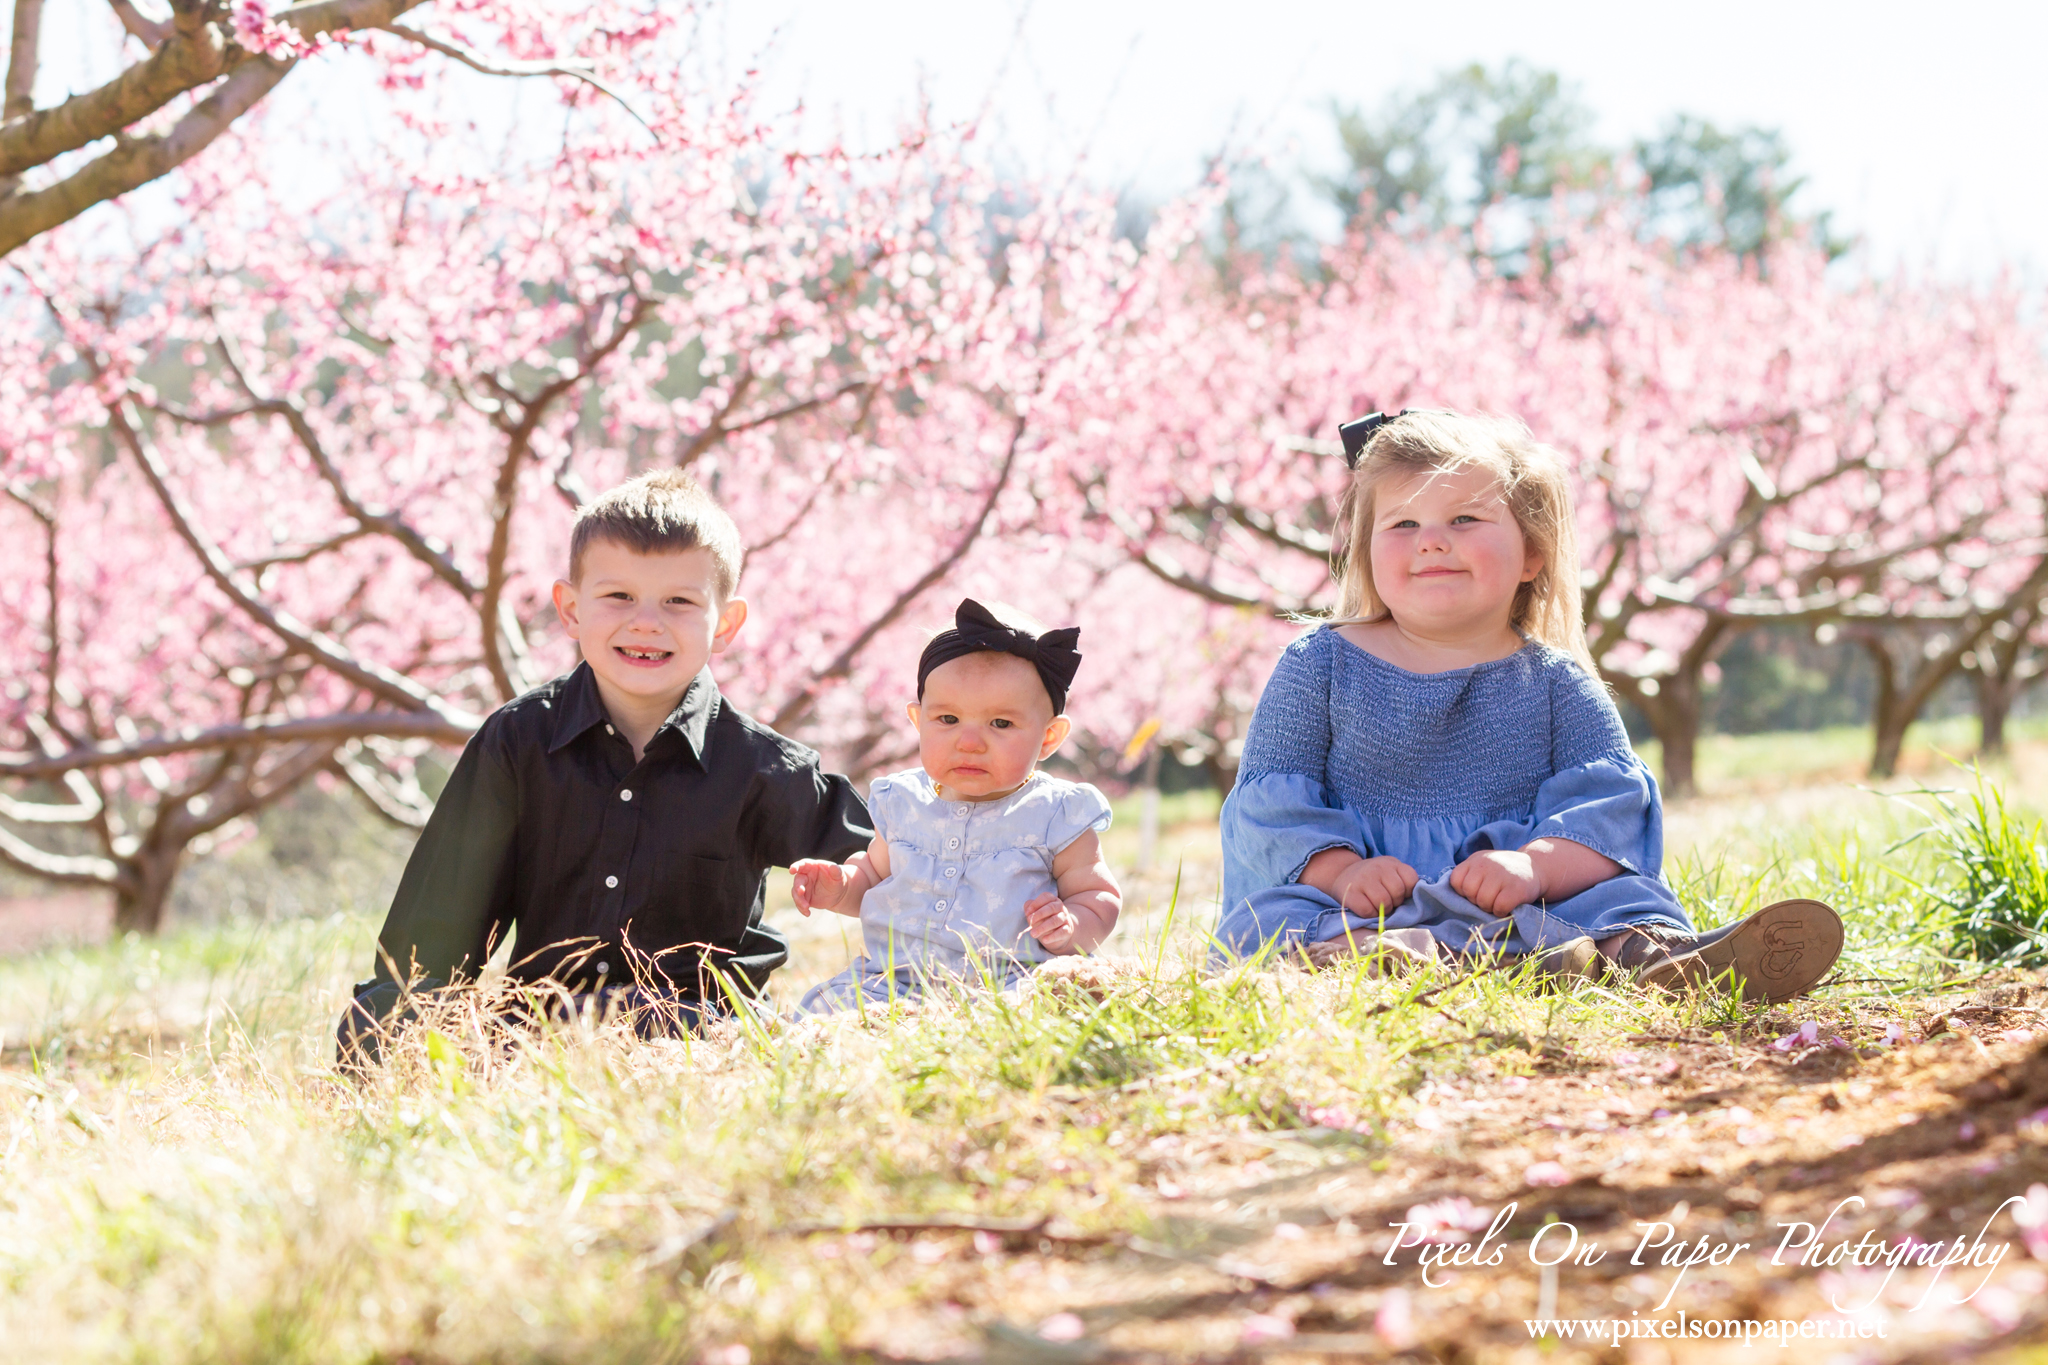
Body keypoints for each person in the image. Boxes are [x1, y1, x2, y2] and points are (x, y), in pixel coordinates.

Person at [1215, 409, 1842, 1001]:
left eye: (1464, 521)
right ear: (1364, 550)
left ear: (1531, 554)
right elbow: (1270, 808)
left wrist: (1533, 866)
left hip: (1517, 900)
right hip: (1364, 904)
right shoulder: (1320, 665)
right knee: (1275, 918)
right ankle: (1374, 960)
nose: (1431, 542)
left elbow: (1609, 809)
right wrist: (1343, 873)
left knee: (1619, 898)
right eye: (1403, 524)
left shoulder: (1554, 681)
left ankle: (1653, 959)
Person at [338, 469, 873, 1058]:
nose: (646, 622)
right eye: (618, 596)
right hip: (539, 1031)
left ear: (724, 623)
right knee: (380, 1024)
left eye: (679, 601)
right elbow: (433, 932)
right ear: (569, 609)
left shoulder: (764, 768)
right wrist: (404, 1029)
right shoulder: (518, 742)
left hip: (697, 1035)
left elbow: (900, 869)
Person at [789, 599, 1122, 1012]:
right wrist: (840, 887)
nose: (969, 742)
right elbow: (873, 876)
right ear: (918, 721)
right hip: (897, 981)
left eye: (1000, 724)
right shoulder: (903, 804)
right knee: (827, 1009)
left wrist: (1070, 927)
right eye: (948, 720)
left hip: (1012, 979)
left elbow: (1097, 895)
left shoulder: (1055, 814)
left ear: (1049, 738)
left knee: (1046, 1006)